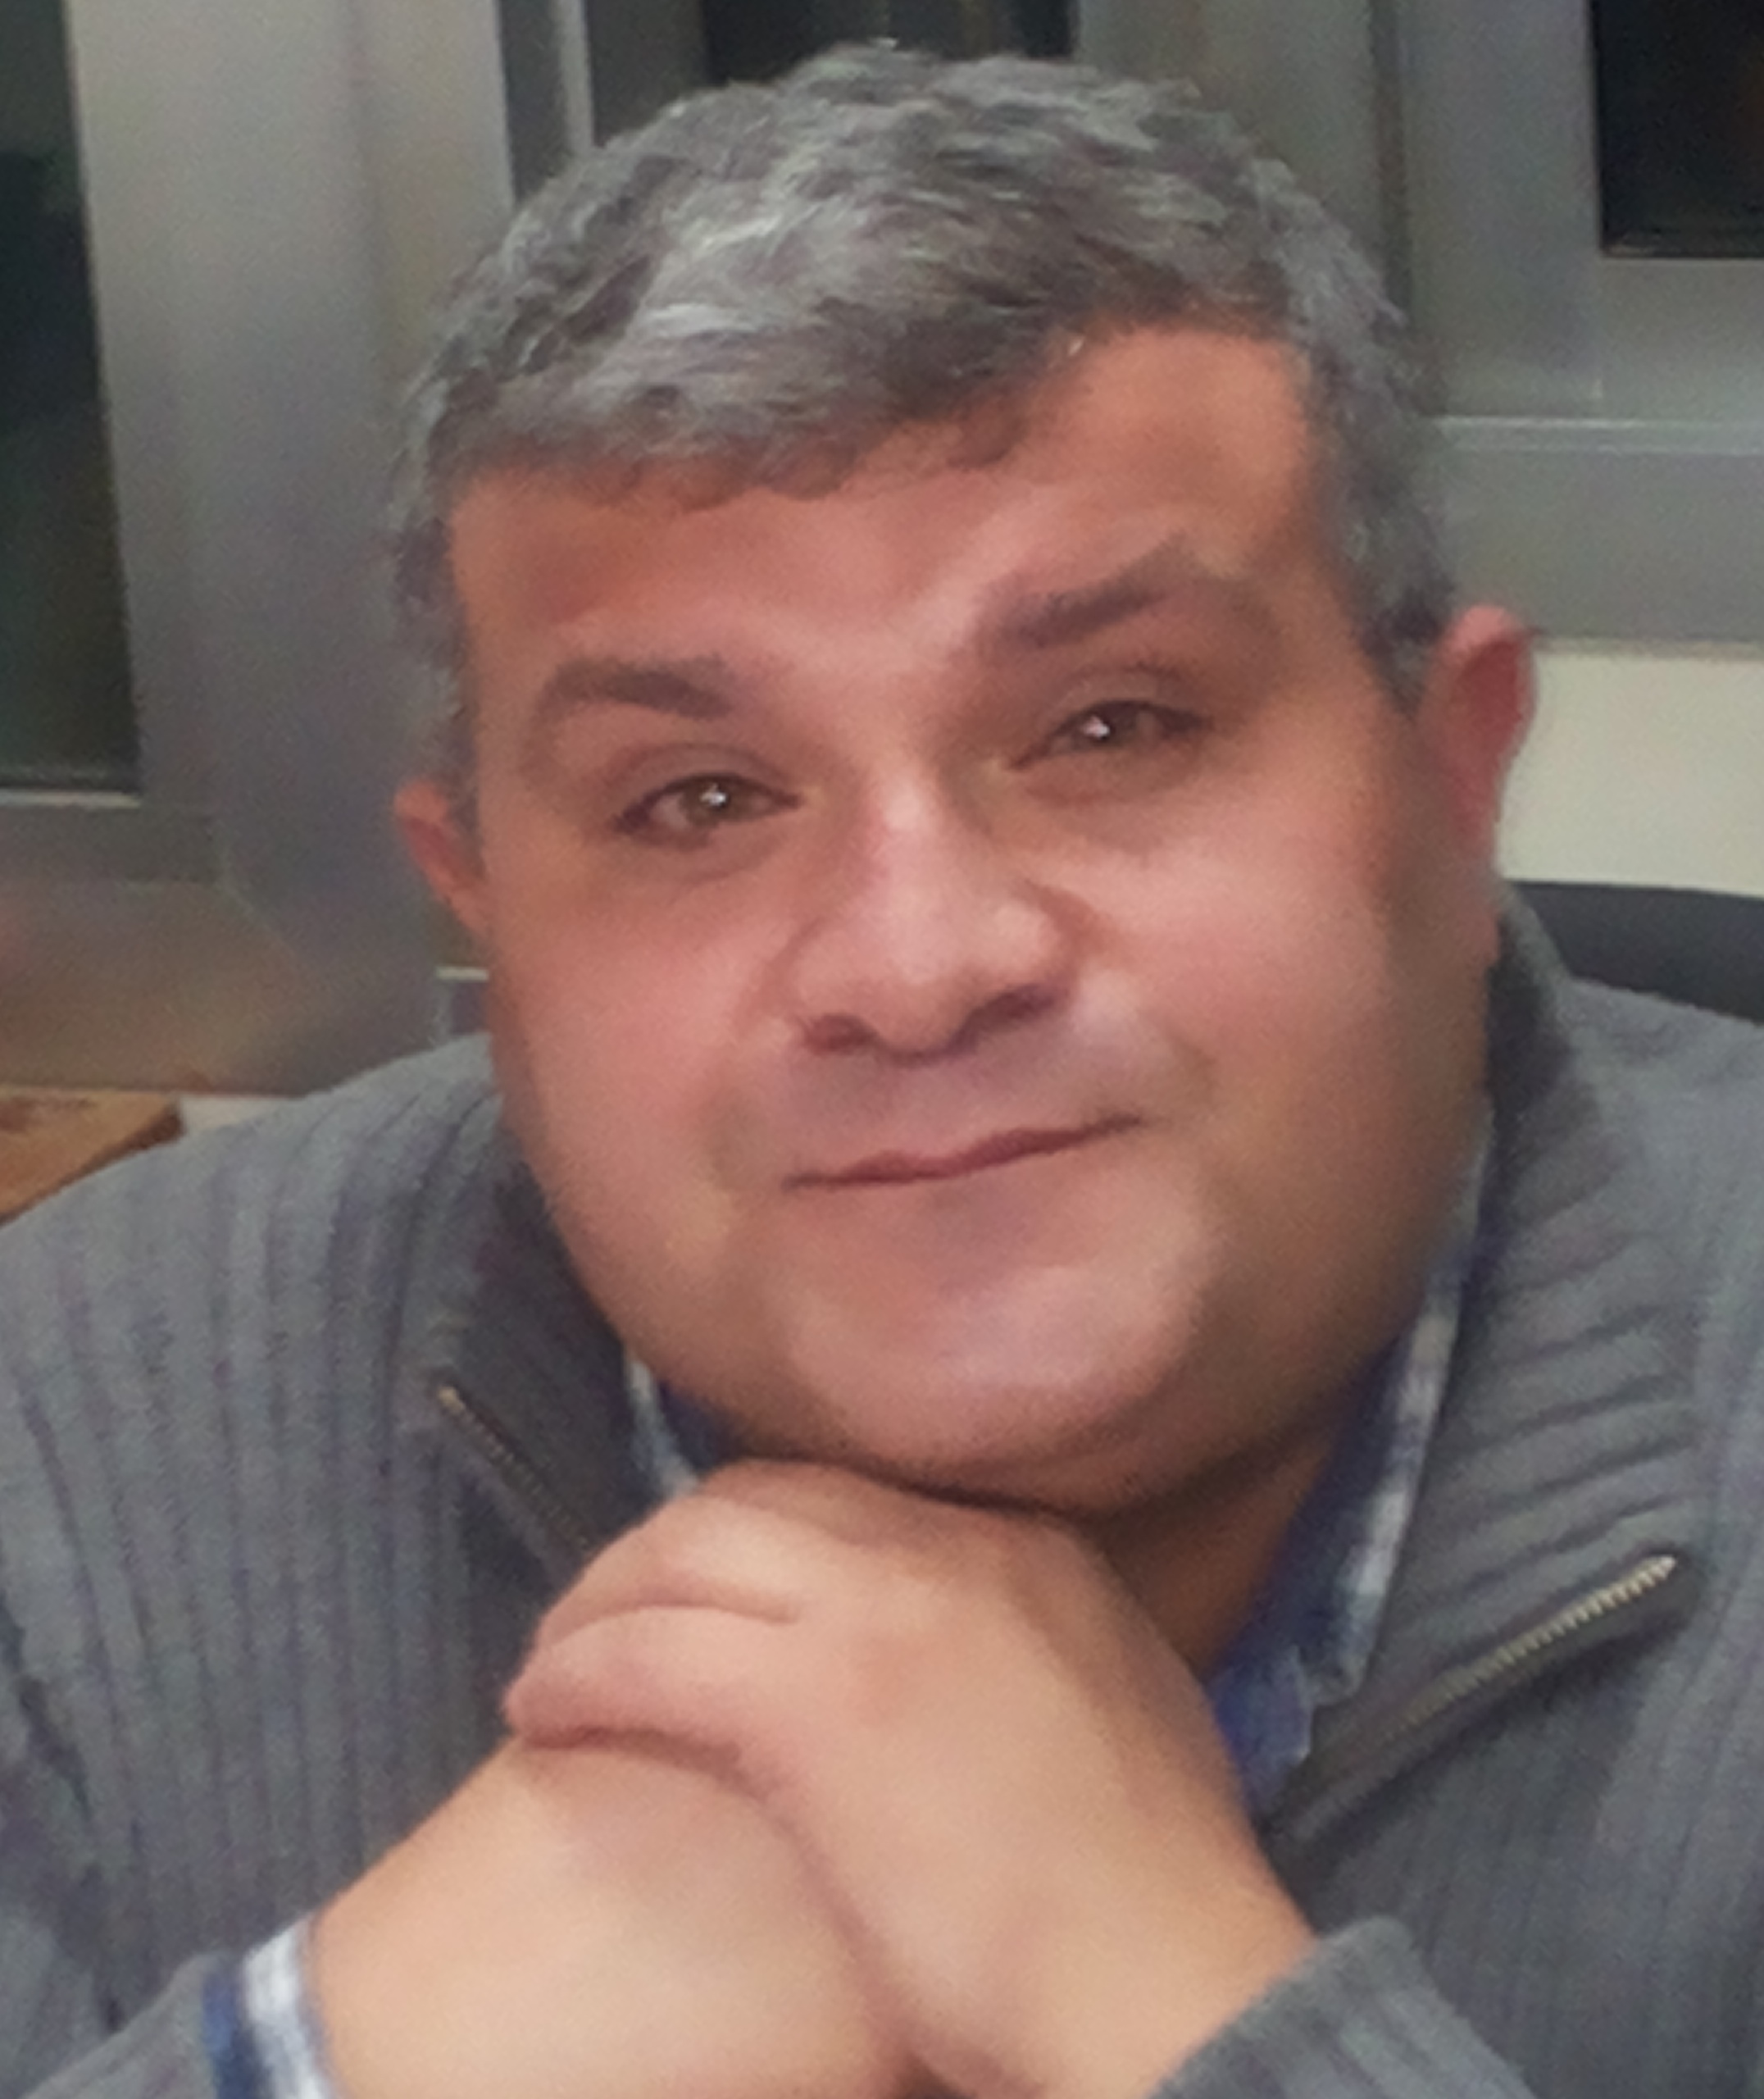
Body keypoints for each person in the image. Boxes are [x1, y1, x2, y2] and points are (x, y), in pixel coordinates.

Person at [1, 43, 1761, 2099]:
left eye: (1110, 727)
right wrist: (317, 2055)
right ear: (484, 909)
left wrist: (1180, 2011)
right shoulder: (60, 1438)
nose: (916, 968)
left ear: (1451, 781)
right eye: (697, 797)